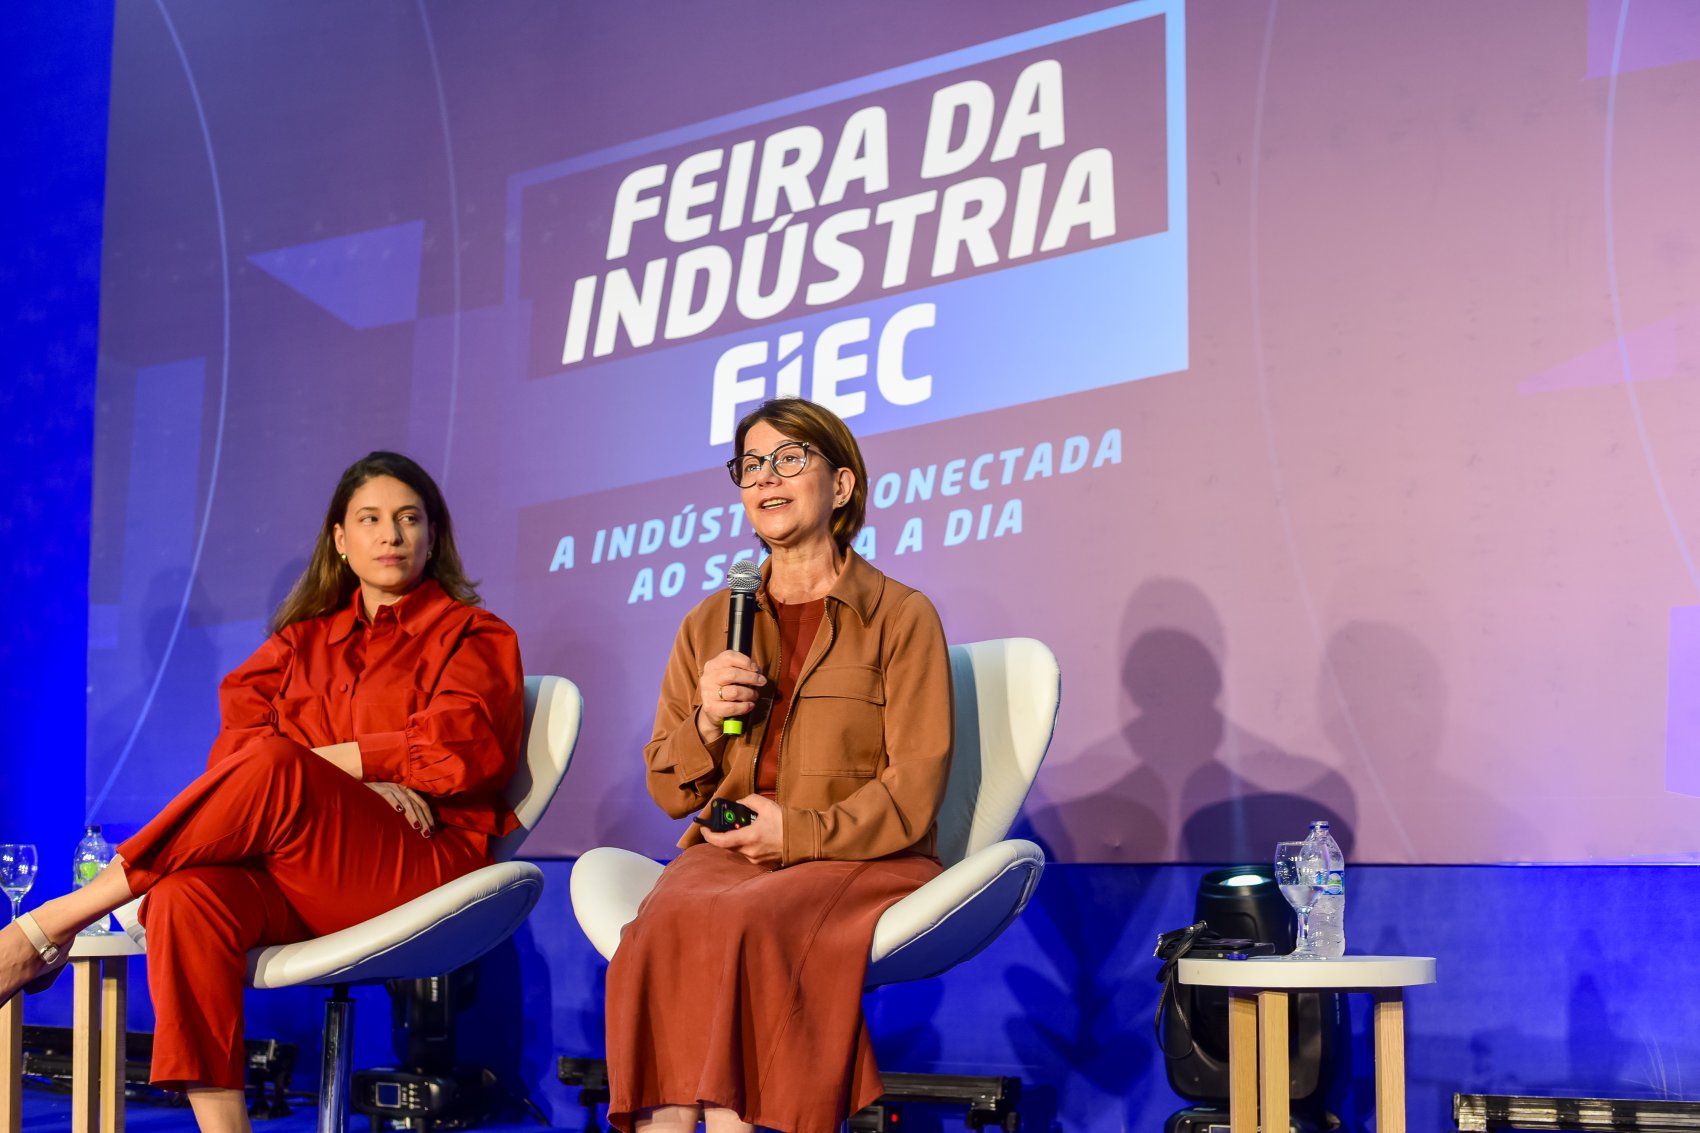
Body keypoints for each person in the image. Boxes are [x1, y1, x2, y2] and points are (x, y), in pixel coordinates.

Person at [0, 451, 524, 1133]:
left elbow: (463, 750)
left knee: (280, 765)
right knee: (186, 899)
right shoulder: (300, 644)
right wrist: (364, 775)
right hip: (302, 875)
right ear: (341, 539)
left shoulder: (475, 634)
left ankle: (51, 923)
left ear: (433, 534)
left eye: (409, 518)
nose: (391, 534)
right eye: (370, 519)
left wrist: (327, 767)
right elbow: (236, 762)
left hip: (421, 867)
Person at [605, 399, 954, 1133]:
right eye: (751, 465)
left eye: (790, 459)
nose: (766, 477)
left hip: (861, 853)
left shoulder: (901, 615)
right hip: (731, 845)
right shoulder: (710, 621)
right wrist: (706, 721)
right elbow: (668, 787)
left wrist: (796, 833)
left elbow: (914, 789)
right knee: (656, 928)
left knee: (748, 920)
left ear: (841, 485)